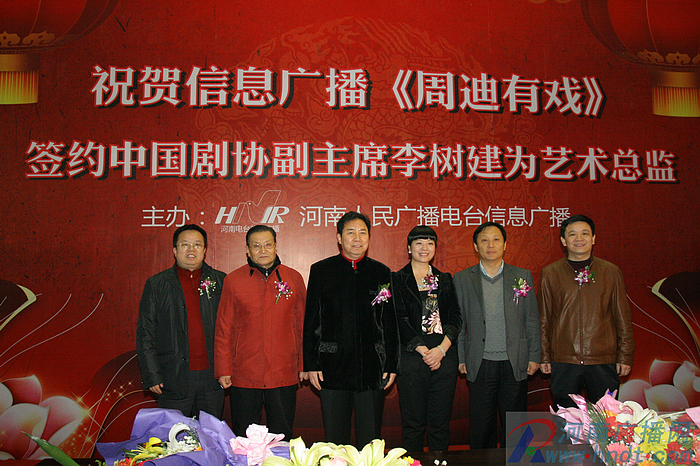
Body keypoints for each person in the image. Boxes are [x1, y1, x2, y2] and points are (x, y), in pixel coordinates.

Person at [303, 211, 399, 447]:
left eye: (363, 233)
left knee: (371, 440)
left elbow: (389, 321)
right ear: (339, 238)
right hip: (332, 367)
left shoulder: (381, 272)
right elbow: (312, 320)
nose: (357, 238)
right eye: (351, 232)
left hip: (372, 368)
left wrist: (391, 364)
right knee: (335, 441)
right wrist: (311, 363)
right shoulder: (322, 270)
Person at [214, 225, 306, 440]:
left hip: (283, 372)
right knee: (244, 438)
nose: (262, 250)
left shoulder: (293, 278)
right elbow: (224, 328)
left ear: (275, 246)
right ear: (247, 250)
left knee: (282, 437)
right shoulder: (233, 280)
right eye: (256, 246)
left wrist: (303, 364)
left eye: (267, 244)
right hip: (244, 373)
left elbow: (302, 324)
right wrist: (223, 369)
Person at [454, 222, 541, 449]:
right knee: (482, 428)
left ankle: (519, 463)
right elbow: (459, 323)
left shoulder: (522, 276)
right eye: (484, 240)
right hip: (480, 361)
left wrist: (534, 356)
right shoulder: (462, 279)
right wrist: (461, 358)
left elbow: (531, 319)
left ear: (505, 245)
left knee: (517, 428)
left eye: (496, 239)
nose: (490, 245)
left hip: (515, 360)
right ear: (476, 246)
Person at [539, 214, 634, 409]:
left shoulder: (611, 272)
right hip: (564, 359)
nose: (579, 239)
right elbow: (543, 318)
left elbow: (622, 318)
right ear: (563, 241)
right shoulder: (551, 273)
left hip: (603, 359)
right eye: (572, 234)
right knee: (566, 418)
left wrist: (625, 356)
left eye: (585, 233)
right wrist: (544, 355)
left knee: (606, 418)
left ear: (593, 238)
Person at [136, 224, 226, 418]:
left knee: (209, 434)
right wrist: (152, 374)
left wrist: (227, 369)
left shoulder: (221, 281)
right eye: (185, 244)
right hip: (173, 377)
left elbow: (232, 330)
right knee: (174, 434)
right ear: (175, 251)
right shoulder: (157, 284)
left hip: (212, 378)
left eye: (197, 244)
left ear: (205, 250)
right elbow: (146, 332)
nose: (191, 249)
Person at [392, 226, 461, 452]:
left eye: (430, 243)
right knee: (413, 425)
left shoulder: (444, 279)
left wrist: (441, 350)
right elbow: (399, 319)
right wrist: (423, 351)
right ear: (409, 248)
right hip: (412, 358)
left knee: (440, 424)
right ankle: (413, 463)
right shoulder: (397, 279)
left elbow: (455, 317)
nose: (425, 248)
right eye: (419, 243)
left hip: (444, 356)